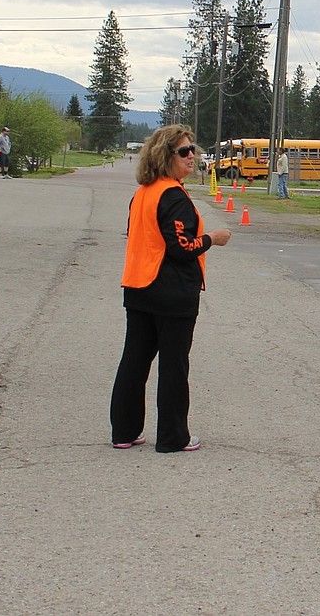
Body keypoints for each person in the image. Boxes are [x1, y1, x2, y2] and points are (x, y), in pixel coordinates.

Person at [110, 125, 232, 453]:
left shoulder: (143, 193)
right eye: (183, 151)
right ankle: (172, 436)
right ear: (166, 157)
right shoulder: (173, 195)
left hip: (138, 286)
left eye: (193, 149)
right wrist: (212, 239)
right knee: (174, 365)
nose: (192, 155)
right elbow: (182, 247)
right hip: (171, 292)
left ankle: (124, 431)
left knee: (134, 361)